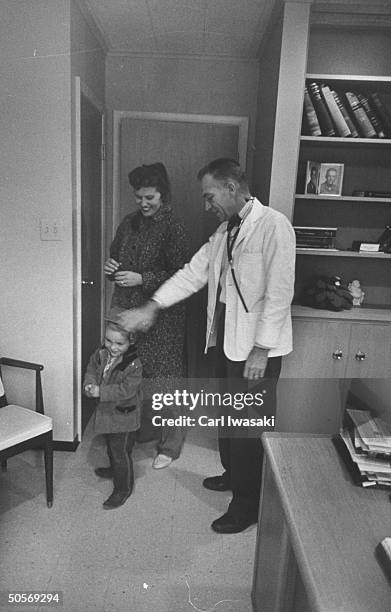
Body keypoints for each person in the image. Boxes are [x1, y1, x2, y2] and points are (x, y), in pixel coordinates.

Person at [117, 158, 296, 533]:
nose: (206, 204)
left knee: (248, 427)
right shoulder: (223, 231)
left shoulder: (273, 225)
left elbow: (279, 293)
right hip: (228, 342)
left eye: (209, 194)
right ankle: (233, 476)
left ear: (231, 188)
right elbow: (190, 274)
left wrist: (262, 349)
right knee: (230, 417)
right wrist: (152, 306)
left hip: (256, 349)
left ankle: (247, 507)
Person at [104, 162, 189, 470]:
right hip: (127, 312)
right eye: (138, 197)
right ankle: (143, 431)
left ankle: (170, 445)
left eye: (149, 197)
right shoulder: (128, 223)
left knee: (165, 383)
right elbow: (116, 256)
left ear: (163, 195)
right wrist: (111, 269)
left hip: (162, 317)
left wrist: (143, 279)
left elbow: (182, 275)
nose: (143, 203)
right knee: (130, 376)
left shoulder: (174, 227)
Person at [83, 312, 142, 509]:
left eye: (119, 344)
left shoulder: (133, 364)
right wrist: (89, 383)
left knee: (120, 452)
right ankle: (114, 469)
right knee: (111, 446)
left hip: (124, 416)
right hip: (108, 413)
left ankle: (122, 488)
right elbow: (91, 368)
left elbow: (127, 390)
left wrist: (101, 391)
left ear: (130, 342)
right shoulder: (101, 353)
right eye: (108, 340)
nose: (112, 347)